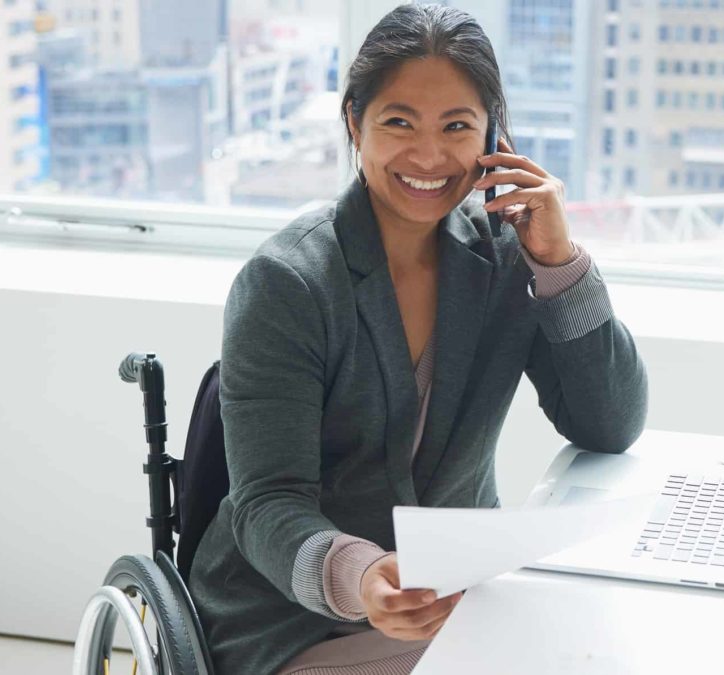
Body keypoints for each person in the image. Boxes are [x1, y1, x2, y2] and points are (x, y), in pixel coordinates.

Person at [186, 4, 648, 674]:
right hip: (297, 621)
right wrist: (361, 575)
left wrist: (559, 262)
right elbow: (267, 502)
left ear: (490, 131)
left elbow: (607, 424)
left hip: (462, 598)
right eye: (399, 122)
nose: (429, 156)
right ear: (355, 123)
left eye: (456, 126)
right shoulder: (286, 283)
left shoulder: (508, 257)